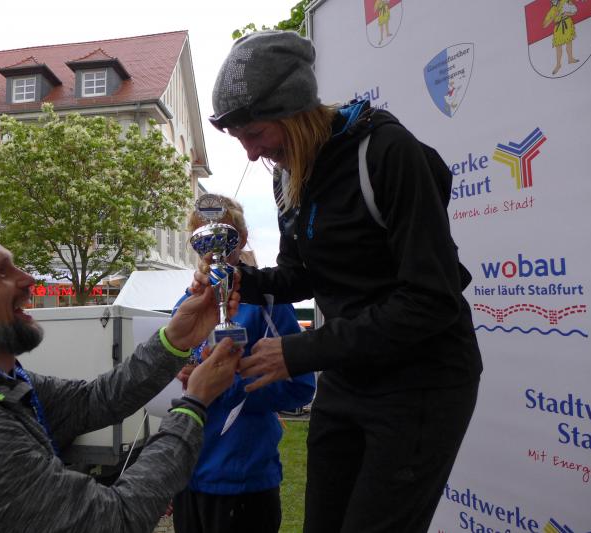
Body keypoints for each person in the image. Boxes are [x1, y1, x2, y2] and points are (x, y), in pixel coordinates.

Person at [199, 30, 483, 533]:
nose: (250, 154)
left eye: (256, 134)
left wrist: (300, 351)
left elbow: (432, 298)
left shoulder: (387, 153)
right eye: (239, 139)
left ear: (293, 110)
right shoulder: (288, 175)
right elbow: (300, 275)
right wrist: (237, 277)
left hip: (422, 380)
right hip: (349, 375)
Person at [0, 211, 243, 532]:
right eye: (1, 273)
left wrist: (177, 337)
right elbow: (116, 519)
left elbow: (93, 401)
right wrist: (193, 406)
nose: (29, 280)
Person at [172, 195, 316, 533]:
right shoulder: (187, 303)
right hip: (188, 476)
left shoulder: (270, 305)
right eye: (202, 238)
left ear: (242, 238)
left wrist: (226, 385)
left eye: (222, 237)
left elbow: (301, 387)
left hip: (243, 480)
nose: (212, 251)